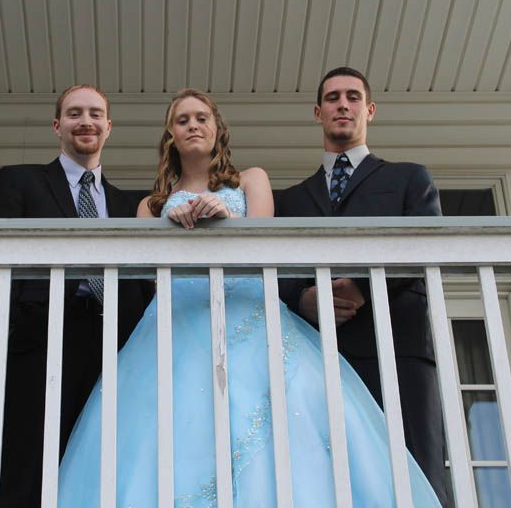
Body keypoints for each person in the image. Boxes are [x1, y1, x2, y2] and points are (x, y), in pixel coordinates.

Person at [57, 88, 440, 506]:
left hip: (252, 320)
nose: (193, 126)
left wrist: (227, 218)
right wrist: (172, 226)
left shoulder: (251, 180)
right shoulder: (151, 205)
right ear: (170, 136)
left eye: (202, 117)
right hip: (176, 328)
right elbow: (147, 273)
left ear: (217, 128)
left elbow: (263, 245)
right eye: (182, 120)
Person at [276, 66, 447, 502]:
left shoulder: (409, 177)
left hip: (396, 350)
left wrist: (362, 288)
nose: (342, 105)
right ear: (318, 112)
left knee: (411, 474)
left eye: (353, 97)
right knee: (329, 480)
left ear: (369, 110)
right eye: (332, 98)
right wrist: (303, 297)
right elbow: (274, 268)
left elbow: (423, 247)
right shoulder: (291, 200)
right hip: (315, 356)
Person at [0, 83, 152, 506]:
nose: (86, 122)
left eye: (96, 114)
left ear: (109, 127)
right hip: (40, 336)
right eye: (75, 113)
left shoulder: (126, 203)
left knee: (100, 462)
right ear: (57, 125)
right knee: (28, 462)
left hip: (112, 344)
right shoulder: (20, 180)